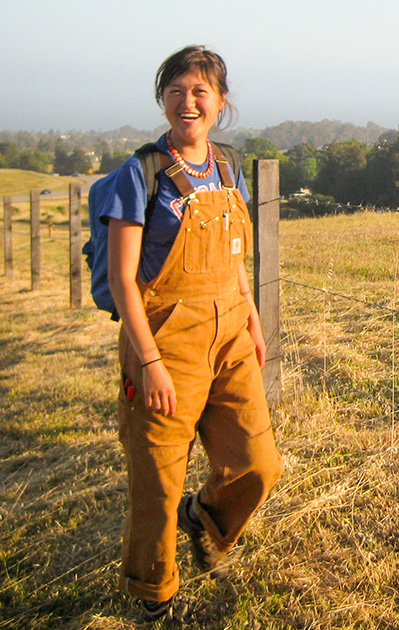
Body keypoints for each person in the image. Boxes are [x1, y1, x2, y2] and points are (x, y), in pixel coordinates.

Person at [98, 45, 283, 623]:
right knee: (156, 480)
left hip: (230, 332)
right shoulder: (142, 174)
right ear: (163, 99)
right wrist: (148, 362)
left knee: (259, 462)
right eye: (176, 90)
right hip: (166, 339)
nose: (188, 101)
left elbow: (234, 257)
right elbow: (121, 279)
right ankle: (155, 593)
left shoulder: (228, 168)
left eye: (200, 91)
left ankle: (203, 518)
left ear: (221, 102)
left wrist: (250, 318)